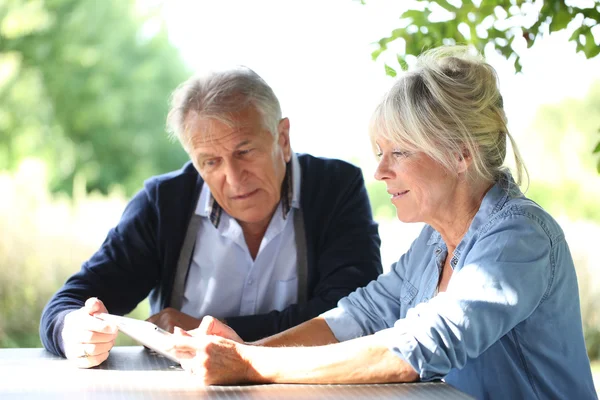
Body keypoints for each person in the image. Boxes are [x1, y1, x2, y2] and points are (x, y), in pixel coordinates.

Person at [165, 47, 598, 400]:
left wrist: (250, 365)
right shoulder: (432, 243)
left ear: (461, 154)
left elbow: (416, 350)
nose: (380, 173)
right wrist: (245, 350)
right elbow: (360, 316)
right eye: (379, 154)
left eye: (400, 152)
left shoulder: (519, 237)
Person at [39, 66, 382, 368]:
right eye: (210, 162)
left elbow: (353, 314)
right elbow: (68, 304)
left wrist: (207, 328)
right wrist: (75, 331)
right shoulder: (163, 204)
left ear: (282, 138)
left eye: (244, 152)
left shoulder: (336, 189)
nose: (233, 178)